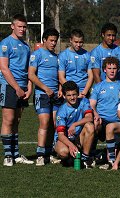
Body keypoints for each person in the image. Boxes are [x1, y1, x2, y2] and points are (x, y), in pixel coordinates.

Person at [0, 14, 34, 166]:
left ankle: (15, 154)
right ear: (12, 26)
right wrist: (17, 88)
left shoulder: (26, 46)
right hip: (9, 86)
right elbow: (4, 68)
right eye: (19, 26)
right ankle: (8, 156)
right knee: (8, 119)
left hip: (23, 87)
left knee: (17, 120)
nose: (22, 29)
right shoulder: (5, 44)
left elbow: (29, 69)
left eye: (24, 27)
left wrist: (29, 87)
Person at [28, 28, 63, 166]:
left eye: (55, 41)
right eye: (51, 40)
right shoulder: (36, 55)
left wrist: (60, 89)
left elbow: (59, 76)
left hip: (55, 95)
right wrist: (46, 88)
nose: (53, 43)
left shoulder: (57, 57)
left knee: (54, 124)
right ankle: (40, 155)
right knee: (44, 123)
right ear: (44, 40)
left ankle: (49, 153)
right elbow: (31, 75)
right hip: (42, 94)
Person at [90, 57, 120, 163]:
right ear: (104, 70)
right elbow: (92, 105)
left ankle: (106, 156)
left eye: (114, 68)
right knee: (92, 125)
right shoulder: (98, 87)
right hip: (102, 120)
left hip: (117, 122)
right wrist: (96, 115)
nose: (112, 71)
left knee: (114, 155)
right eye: (109, 68)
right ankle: (90, 153)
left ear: (118, 69)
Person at [54, 81, 95, 168]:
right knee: (63, 152)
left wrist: (74, 125)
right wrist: (71, 145)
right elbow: (60, 135)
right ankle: (68, 158)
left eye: (74, 94)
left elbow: (89, 118)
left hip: (78, 137)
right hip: (64, 139)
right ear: (64, 96)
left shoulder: (84, 101)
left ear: (78, 94)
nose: (72, 98)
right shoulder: (61, 111)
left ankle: (85, 159)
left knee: (90, 126)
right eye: (69, 95)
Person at [58, 29, 93, 98]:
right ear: (70, 40)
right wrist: (73, 91)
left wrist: (84, 92)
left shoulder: (87, 55)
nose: (78, 45)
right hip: (69, 93)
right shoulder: (63, 55)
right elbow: (61, 77)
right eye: (76, 42)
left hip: (84, 93)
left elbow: (91, 76)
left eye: (81, 42)